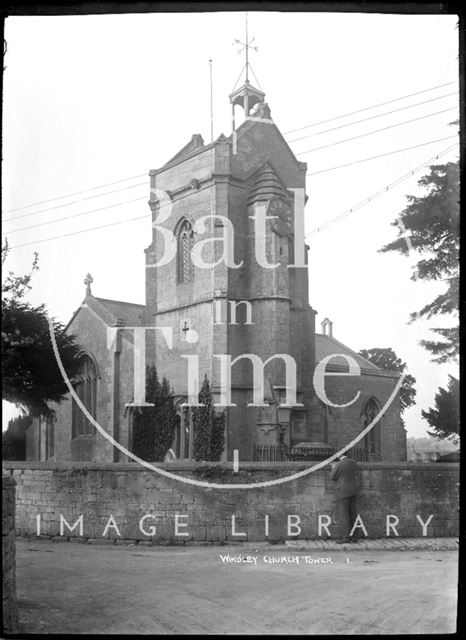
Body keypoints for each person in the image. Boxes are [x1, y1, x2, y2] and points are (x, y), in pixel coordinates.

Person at [330, 454, 359, 544]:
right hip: (353, 490)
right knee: (353, 513)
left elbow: (332, 477)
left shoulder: (339, 464)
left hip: (343, 491)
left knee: (344, 514)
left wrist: (333, 467)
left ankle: (346, 537)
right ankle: (354, 536)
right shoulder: (353, 463)